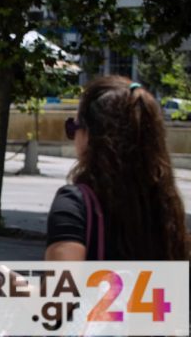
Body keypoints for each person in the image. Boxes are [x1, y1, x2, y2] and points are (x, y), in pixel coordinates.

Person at [45, 75, 188, 261]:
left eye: (73, 127)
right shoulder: (167, 205)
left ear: (91, 136)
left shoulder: (74, 204)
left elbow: (62, 287)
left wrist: (22, 289)